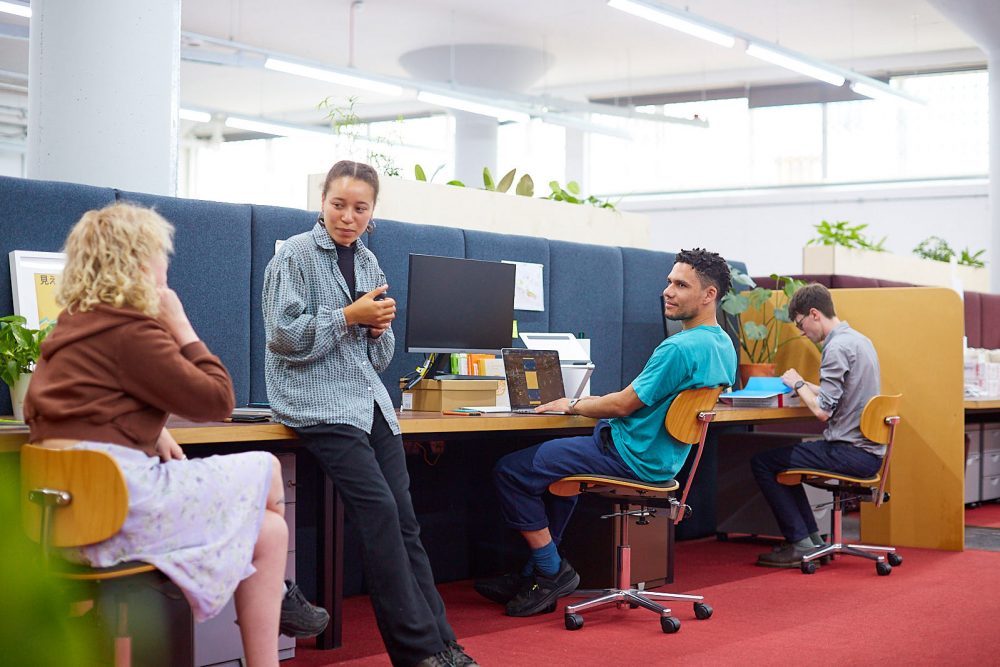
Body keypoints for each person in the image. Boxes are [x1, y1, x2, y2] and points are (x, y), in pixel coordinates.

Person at [23, 203, 326, 667]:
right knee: (266, 468)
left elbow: (56, 412)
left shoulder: (67, 331)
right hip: (118, 513)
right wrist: (179, 323)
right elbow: (218, 400)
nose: (167, 265)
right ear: (142, 262)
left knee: (268, 531)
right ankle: (283, 597)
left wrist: (151, 429)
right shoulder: (133, 330)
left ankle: (273, 626)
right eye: (162, 255)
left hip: (66, 523)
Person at [262, 160, 477, 667]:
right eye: (339, 205)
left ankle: (444, 643)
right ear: (323, 201)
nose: (347, 216)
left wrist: (379, 331)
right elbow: (282, 337)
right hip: (317, 402)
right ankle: (417, 652)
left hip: (369, 401)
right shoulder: (291, 256)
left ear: (372, 212)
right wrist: (348, 317)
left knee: (405, 522)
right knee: (379, 514)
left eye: (360, 208)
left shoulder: (369, 263)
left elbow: (378, 357)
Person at [476, 248, 738, 617]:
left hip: (628, 455)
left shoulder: (678, 347)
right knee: (557, 473)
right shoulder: (723, 344)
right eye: (668, 282)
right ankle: (533, 572)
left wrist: (572, 403)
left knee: (512, 471)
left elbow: (622, 406)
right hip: (663, 460)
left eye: (681, 285)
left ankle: (551, 572)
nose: (668, 291)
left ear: (709, 295)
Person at [751, 282, 882, 568]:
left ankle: (800, 542)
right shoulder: (860, 341)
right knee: (782, 462)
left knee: (764, 463)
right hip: (868, 451)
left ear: (813, 314)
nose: (801, 333)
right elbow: (839, 393)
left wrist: (797, 383)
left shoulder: (835, 347)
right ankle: (812, 542)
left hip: (850, 451)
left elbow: (823, 412)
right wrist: (807, 386)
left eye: (800, 324)